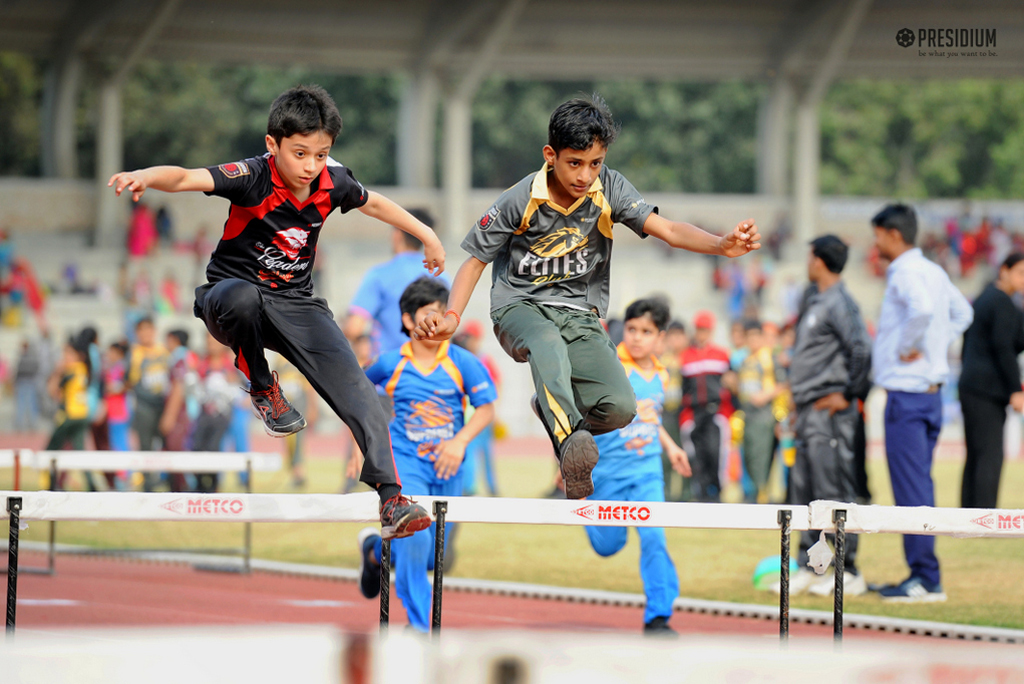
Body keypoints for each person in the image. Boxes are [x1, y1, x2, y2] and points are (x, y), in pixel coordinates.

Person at [109, 84, 443, 537]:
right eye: (300, 154)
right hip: (228, 299)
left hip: (297, 304)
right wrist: (147, 175)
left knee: (362, 394)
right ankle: (263, 387)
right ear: (273, 145)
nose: (310, 167)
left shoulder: (333, 182)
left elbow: (376, 203)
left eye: (321, 155)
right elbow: (187, 177)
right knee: (242, 299)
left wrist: (426, 233)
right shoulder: (251, 175)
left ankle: (391, 501)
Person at [412, 94, 759, 500]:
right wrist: (453, 316)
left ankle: (554, 411)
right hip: (520, 306)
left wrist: (722, 244)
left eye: (595, 163)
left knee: (620, 408)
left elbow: (667, 229)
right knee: (546, 342)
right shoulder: (519, 198)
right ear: (551, 155)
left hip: (580, 313)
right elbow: (473, 262)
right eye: (574, 163)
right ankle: (570, 443)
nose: (585, 175)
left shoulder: (608, 187)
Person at [355, 278, 497, 632]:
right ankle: (419, 629)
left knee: (438, 556)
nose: (437, 322)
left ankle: (374, 552)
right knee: (415, 543)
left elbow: (486, 409)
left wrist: (459, 442)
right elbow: (352, 398)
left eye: (442, 314)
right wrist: (363, 450)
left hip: (449, 469)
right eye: (428, 314)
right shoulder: (389, 363)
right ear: (407, 320)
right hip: (406, 465)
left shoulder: (463, 362)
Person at [871, 204, 973, 602]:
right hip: (929, 395)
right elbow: (962, 313)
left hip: (908, 396)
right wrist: (936, 346)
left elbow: (924, 310)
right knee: (920, 486)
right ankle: (924, 574)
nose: (876, 244)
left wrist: (911, 345)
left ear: (894, 234)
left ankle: (925, 578)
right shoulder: (933, 270)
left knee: (911, 492)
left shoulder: (905, 271)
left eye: (878, 235)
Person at [585, 298, 690, 635]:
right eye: (631, 329)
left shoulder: (661, 372)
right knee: (608, 546)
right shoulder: (610, 365)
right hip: (607, 474)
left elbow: (651, 416)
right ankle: (584, 507)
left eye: (646, 332)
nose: (637, 337)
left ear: (661, 338)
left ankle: (658, 617)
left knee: (654, 538)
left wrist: (671, 447)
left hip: (646, 473)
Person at [784, 235, 871, 597]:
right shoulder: (815, 300)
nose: (807, 262)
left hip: (829, 411)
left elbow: (861, 349)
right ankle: (813, 565)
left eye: (809, 256)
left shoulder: (840, 302)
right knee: (806, 488)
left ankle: (847, 570)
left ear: (819, 260)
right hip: (808, 410)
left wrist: (848, 394)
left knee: (833, 488)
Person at [959, 252, 1024, 509]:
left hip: (972, 385)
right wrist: (1015, 389)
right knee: (990, 454)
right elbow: (1004, 348)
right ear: (1004, 271)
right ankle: (983, 518)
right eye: (1020, 272)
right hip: (986, 389)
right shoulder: (1000, 302)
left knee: (977, 453)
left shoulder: (988, 298)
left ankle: (969, 514)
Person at [345, 208, 448, 358]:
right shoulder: (442, 277)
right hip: (431, 366)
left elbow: (354, 328)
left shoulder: (379, 275)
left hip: (390, 368)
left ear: (397, 235)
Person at [681, 311, 732, 502]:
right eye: (699, 329)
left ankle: (717, 493)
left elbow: (730, 382)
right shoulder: (686, 356)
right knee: (697, 455)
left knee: (716, 453)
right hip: (695, 412)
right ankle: (700, 493)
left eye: (705, 330)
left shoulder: (722, 355)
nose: (701, 333)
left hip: (716, 410)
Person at [452, 319, 502, 496]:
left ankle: (492, 487)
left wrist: (494, 407)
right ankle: (470, 488)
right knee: (470, 451)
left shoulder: (482, 358)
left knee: (487, 453)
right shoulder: (464, 358)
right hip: (469, 414)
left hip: (482, 413)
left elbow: (497, 382)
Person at [735, 319, 782, 504]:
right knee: (749, 457)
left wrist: (765, 395)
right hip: (747, 416)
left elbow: (783, 383)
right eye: (749, 337)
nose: (753, 341)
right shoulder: (745, 360)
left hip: (764, 416)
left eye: (756, 336)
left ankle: (762, 495)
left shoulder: (769, 359)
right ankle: (753, 494)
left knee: (761, 457)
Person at [127, 318, 170, 489]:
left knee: (167, 443)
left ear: (154, 331)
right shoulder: (134, 353)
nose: (145, 334)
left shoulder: (163, 352)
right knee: (145, 445)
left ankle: (168, 480)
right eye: (141, 331)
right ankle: (148, 483)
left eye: (148, 330)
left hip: (162, 406)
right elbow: (127, 380)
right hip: (144, 407)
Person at [659, 320, 687, 501]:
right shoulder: (662, 360)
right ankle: (666, 492)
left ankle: (686, 492)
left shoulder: (688, 358)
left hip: (683, 413)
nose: (676, 340)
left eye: (679, 336)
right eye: (673, 336)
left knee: (686, 450)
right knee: (665, 454)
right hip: (666, 412)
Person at [14, 338, 41, 433]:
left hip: (24, 382)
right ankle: (31, 424)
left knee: (23, 404)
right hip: (30, 381)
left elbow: (18, 370)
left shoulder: (22, 357)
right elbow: (36, 368)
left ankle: (21, 424)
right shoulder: (32, 357)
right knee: (30, 404)